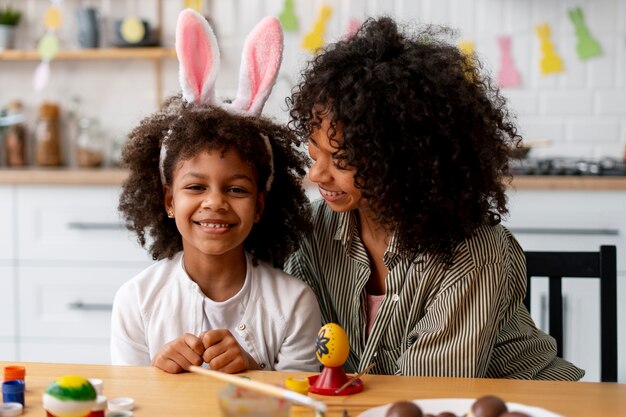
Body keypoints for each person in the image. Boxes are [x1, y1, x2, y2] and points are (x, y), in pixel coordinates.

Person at [285, 16, 584, 380]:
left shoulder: (471, 251)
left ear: (403, 158)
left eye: (342, 160)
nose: (317, 174)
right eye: (315, 153)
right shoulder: (314, 230)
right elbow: (294, 350)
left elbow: (430, 390)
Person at [111, 9, 320, 374]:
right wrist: (154, 378)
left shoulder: (294, 303)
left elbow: (302, 407)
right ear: (168, 201)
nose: (215, 203)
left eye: (236, 189)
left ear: (259, 205)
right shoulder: (136, 301)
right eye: (195, 186)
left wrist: (255, 370)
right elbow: (129, 404)